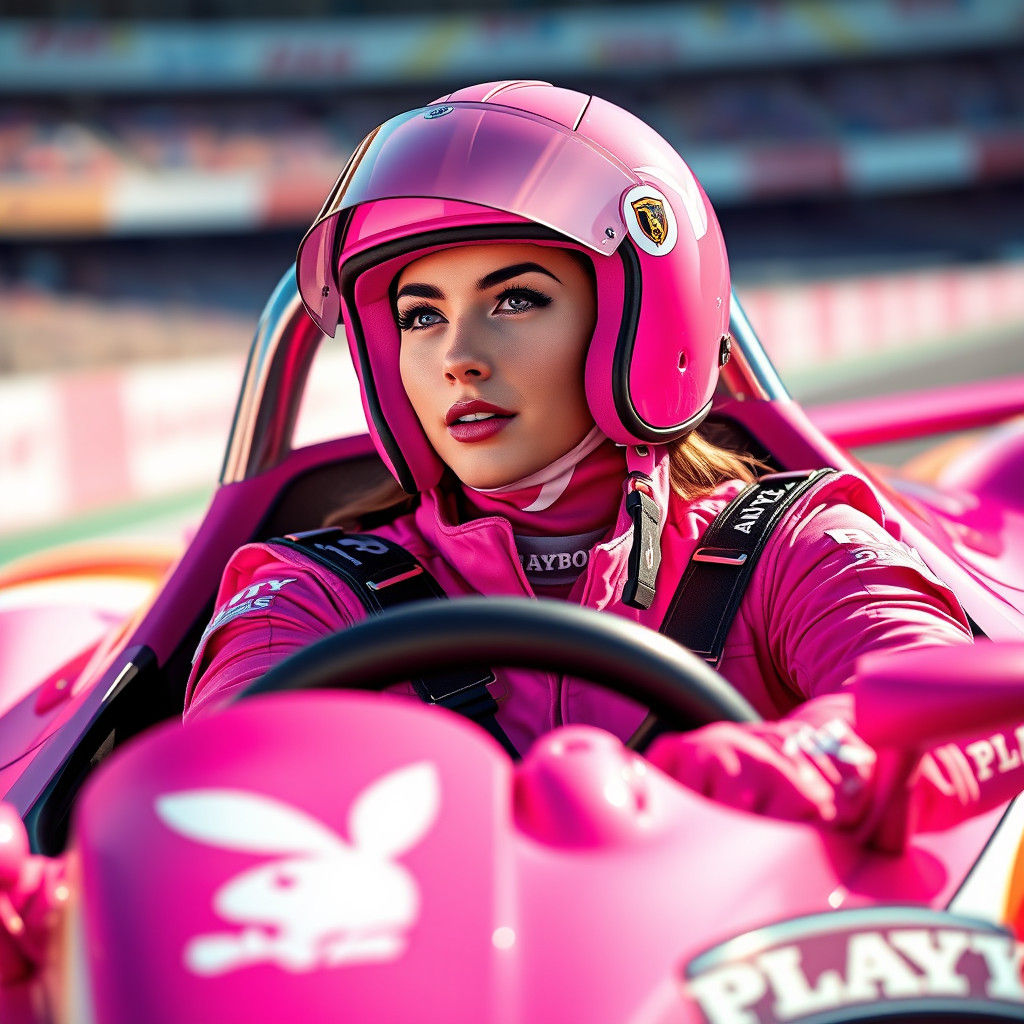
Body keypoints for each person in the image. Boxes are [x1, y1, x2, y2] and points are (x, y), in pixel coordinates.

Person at [184, 81, 976, 828]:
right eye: (421, 316)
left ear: (637, 324)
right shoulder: (308, 597)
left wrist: (730, 783)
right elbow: (205, 810)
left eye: (516, 300)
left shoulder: (794, 544)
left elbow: (960, 717)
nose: (458, 356)